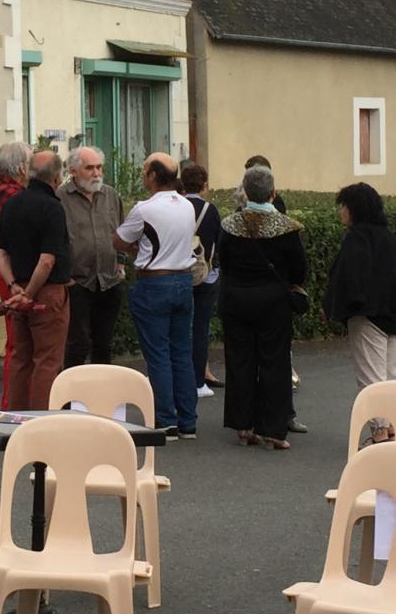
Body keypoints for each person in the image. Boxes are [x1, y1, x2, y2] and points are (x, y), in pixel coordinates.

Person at [218, 164, 307, 449]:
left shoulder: (230, 225)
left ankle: (243, 425)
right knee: (275, 362)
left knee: (240, 360)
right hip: (273, 302)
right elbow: (299, 270)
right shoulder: (286, 227)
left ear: (245, 191)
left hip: (236, 299)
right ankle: (273, 429)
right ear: (273, 193)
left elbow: (224, 262)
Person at [114, 152, 199, 438]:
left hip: (154, 283)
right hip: (183, 281)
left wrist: (137, 249)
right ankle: (188, 421)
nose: (142, 174)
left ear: (153, 176)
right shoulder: (187, 206)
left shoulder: (144, 208)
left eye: (144, 170)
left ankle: (166, 419)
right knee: (181, 353)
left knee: (158, 355)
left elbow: (119, 239)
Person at [0, 149, 73, 411]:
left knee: (20, 357)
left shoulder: (13, 203)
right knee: (47, 360)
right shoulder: (53, 208)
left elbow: (0, 252)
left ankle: (15, 418)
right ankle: (43, 420)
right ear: (57, 178)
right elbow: (47, 260)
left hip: (17, 289)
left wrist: (14, 285)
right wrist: (30, 292)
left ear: (28, 172)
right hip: (47, 292)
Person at [326, 182, 396, 387]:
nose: (341, 212)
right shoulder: (387, 237)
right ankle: (395, 419)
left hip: (368, 318)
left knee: (372, 384)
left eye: (344, 206)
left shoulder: (357, 238)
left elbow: (348, 278)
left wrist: (335, 307)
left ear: (355, 209)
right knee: (391, 379)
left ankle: (378, 420)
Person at [59, 145, 125, 368]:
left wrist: (121, 262)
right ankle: (69, 400)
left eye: (99, 167)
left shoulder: (111, 195)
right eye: (89, 168)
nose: (96, 173)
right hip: (77, 281)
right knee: (77, 344)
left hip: (108, 280)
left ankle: (102, 397)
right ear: (73, 170)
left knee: (104, 344)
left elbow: (122, 231)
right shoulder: (60, 198)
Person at [0, 141, 30, 400]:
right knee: (18, 344)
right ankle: (12, 402)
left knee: (16, 342)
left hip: (5, 270)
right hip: (13, 273)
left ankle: (12, 401)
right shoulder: (13, 195)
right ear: (22, 168)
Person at [179, 160, 222, 398]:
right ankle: (198, 382)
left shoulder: (177, 207)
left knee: (179, 329)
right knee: (201, 329)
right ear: (204, 185)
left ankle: (180, 379)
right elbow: (218, 242)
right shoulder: (211, 210)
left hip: (179, 273)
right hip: (206, 275)